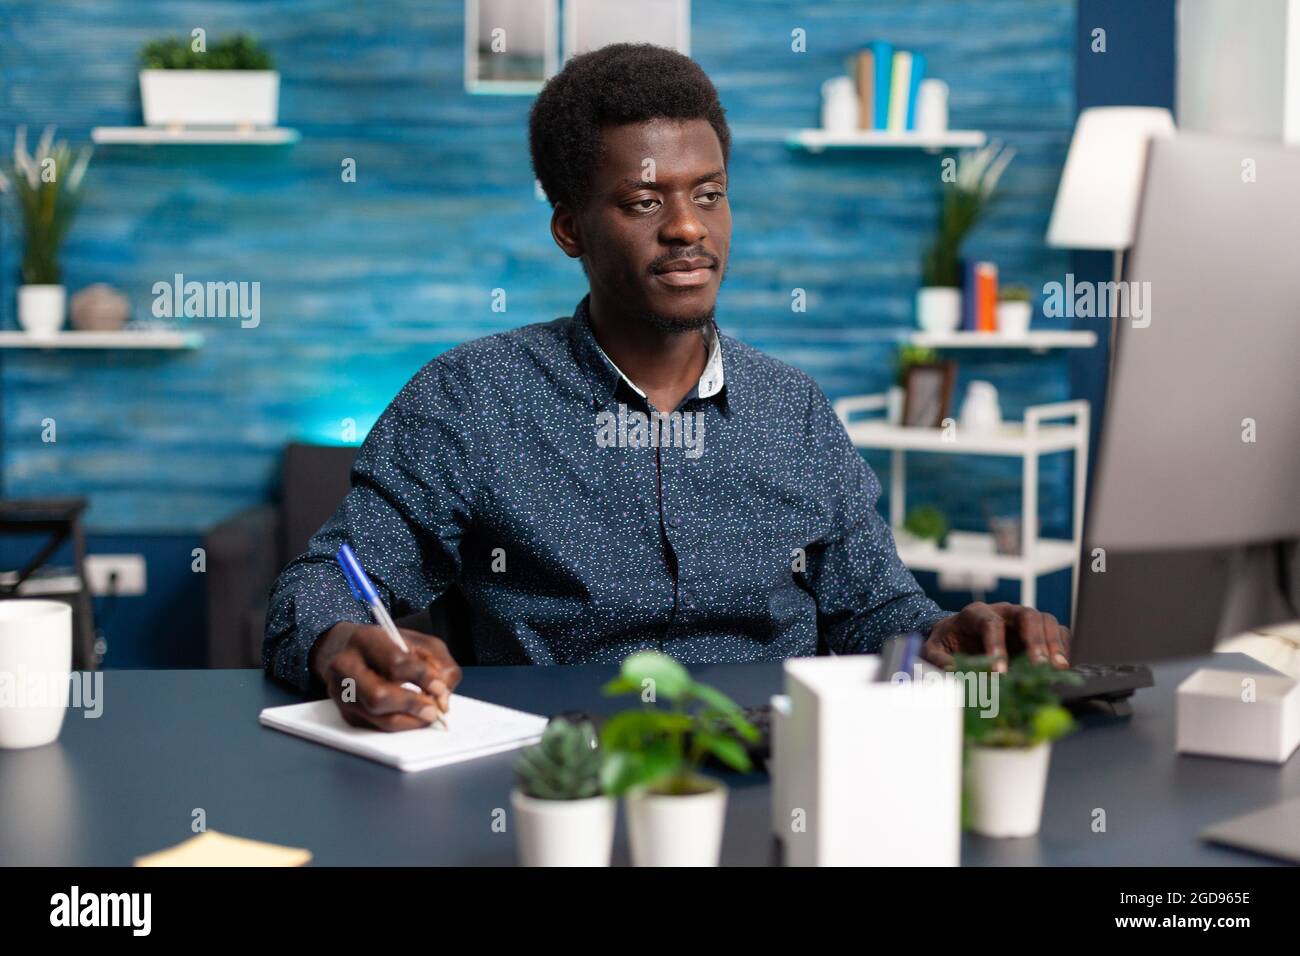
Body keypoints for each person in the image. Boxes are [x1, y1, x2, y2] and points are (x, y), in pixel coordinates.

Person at [264, 44, 1070, 731]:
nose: (687, 227)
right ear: (569, 228)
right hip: (562, 781)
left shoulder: (795, 411)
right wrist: (340, 645)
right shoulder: (468, 402)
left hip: (772, 772)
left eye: (709, 195)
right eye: (645, 201)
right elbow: (325, 580)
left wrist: (943, 636)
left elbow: (874, 610)